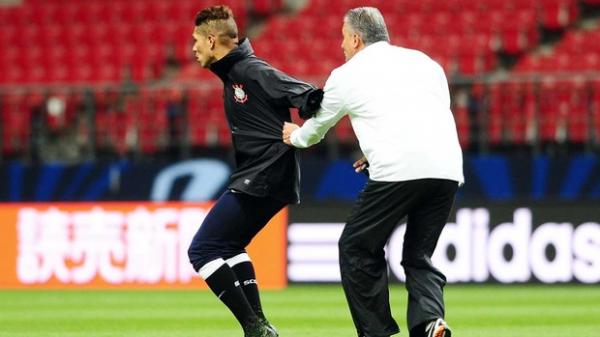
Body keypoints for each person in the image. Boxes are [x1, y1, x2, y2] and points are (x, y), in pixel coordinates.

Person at [283, 7, 463, 337]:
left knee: (356, 247)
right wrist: (375, 151)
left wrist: (292, 134)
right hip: (447, 169)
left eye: (343, 38)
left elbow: (316, 129)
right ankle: (429, 323)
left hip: (398, 171)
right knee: (418, 254)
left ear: (356, 38)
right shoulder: (426, 63)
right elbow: (429, 113)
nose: (341, 46)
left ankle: (376, 332)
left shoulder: (346, 75)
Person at [187, 5, 321, 337]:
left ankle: (254, 327)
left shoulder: (250, 70)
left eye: (196, 41)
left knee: (202, 249)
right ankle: (261, 327)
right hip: (267, 175)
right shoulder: (235, 73)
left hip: (265, 173)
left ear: (212, 40)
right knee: (230, 246)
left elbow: (309, 96)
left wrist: (303, 132)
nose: (193, 48)